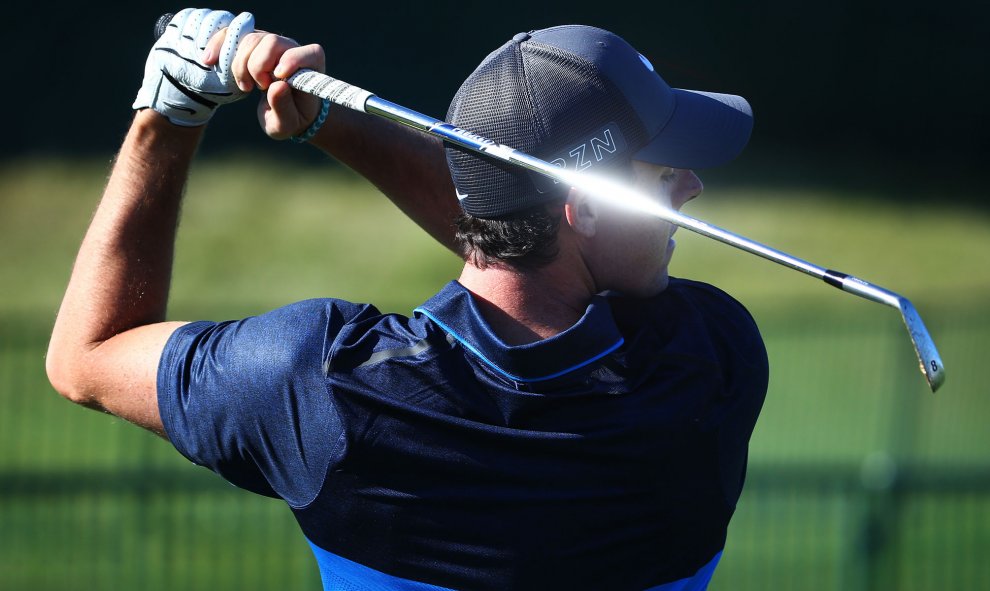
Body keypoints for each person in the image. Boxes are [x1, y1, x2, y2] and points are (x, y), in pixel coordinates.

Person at [47, 8, 768, 590]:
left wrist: (168, 113)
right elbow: (521, 240)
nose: (691, 189)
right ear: (587, 207)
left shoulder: (317, 387)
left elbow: (87, 355)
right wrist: (331, 120)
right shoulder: (709, 364)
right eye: (665, 171)